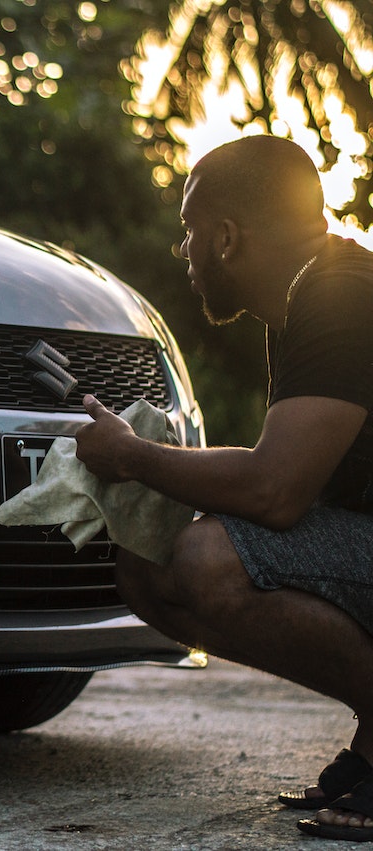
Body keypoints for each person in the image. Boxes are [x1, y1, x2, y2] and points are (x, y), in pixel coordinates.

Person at [74, 134, 373, 842]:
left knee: (210, 558)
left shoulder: (339, 296)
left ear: (228, 237)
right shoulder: (312, 295)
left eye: (189, 232)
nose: (185, 251)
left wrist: (135, 456)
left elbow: (277, 490)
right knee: (148, 567)